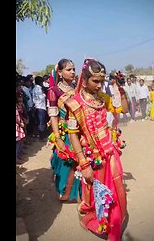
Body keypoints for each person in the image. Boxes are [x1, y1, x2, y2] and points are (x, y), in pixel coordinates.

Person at [65, 59, 127, 241]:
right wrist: (83, 163)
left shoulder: (102, 99)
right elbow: (73, 134)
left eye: (102, 81)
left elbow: (122, 109)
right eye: (95, 81)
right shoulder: (74, 104)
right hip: (93, 157)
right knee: (96, 193)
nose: (100, 86)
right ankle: (97, 219)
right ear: (84, 80)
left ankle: (114, 228)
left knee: (115, 192)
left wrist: (121, 92)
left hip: (111, 154)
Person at [46, 58, 82, 202]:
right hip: (63, 132)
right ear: (60, 72)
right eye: (69, 69)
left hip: (78, 132)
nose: (73, 72)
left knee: (80, 161)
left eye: (73, 69)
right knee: (64, 163)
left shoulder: (78, 90)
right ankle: (63, 190)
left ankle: (76, 192)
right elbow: (53, 116)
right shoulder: (54, 91)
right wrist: (58, 138)